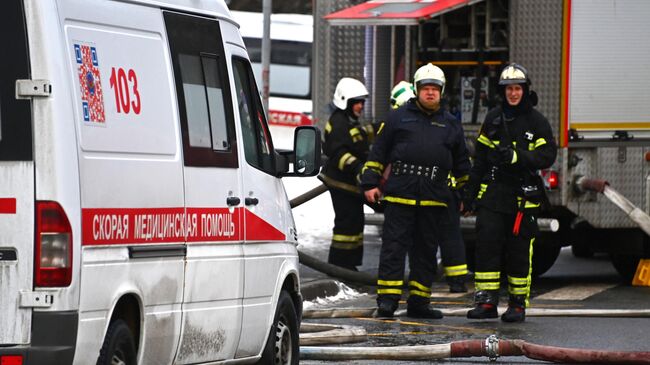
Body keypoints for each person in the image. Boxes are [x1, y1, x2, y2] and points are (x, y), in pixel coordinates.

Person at [361, 64, 471, 318]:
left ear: (441, 92)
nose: (430, 93)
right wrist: (370, 183)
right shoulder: (397, 118)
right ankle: (387, 301)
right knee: (393, 249)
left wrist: (466, 194)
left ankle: (419, 303)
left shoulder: (451, 124)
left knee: (426, 253)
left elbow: (462, 163)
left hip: (434, 199)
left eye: (435, 89)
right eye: (426, 88)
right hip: (401, 196)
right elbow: (378, 152)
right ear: (417, 90)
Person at [463, 63, 557, 322]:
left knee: (518, 252)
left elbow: (547, 155)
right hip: (493, 194)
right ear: (502, 92)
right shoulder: (493, 118)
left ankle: (517, 304)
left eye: (518, 88)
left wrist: (518, 156)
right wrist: (469, 194)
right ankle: (486, 303)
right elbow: (480, 160)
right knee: (487, 248)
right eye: (509, 89)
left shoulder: (537, 122)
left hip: (521, 198)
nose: (513, 94)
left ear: (525, 90)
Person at [390, 80, 469, 293]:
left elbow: (460, 161)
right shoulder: (402, 120)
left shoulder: (445, 124)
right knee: (433, 240)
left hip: (440, 192)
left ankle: (456, 279)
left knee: (439, 239)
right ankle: (455, 280)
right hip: (429, 191)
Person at [319, 77, 371, 270]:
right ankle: (339, 266)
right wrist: (359, 167)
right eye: (357, 103)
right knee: (346, 225)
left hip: (350, 184)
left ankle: (350, 265)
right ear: (345, 102)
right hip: (341, 184)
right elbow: (340, 154)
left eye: (362, 102)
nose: (360, 106)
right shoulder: (338, 123)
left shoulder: (348, 122)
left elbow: (357, 138)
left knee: (355, 223)